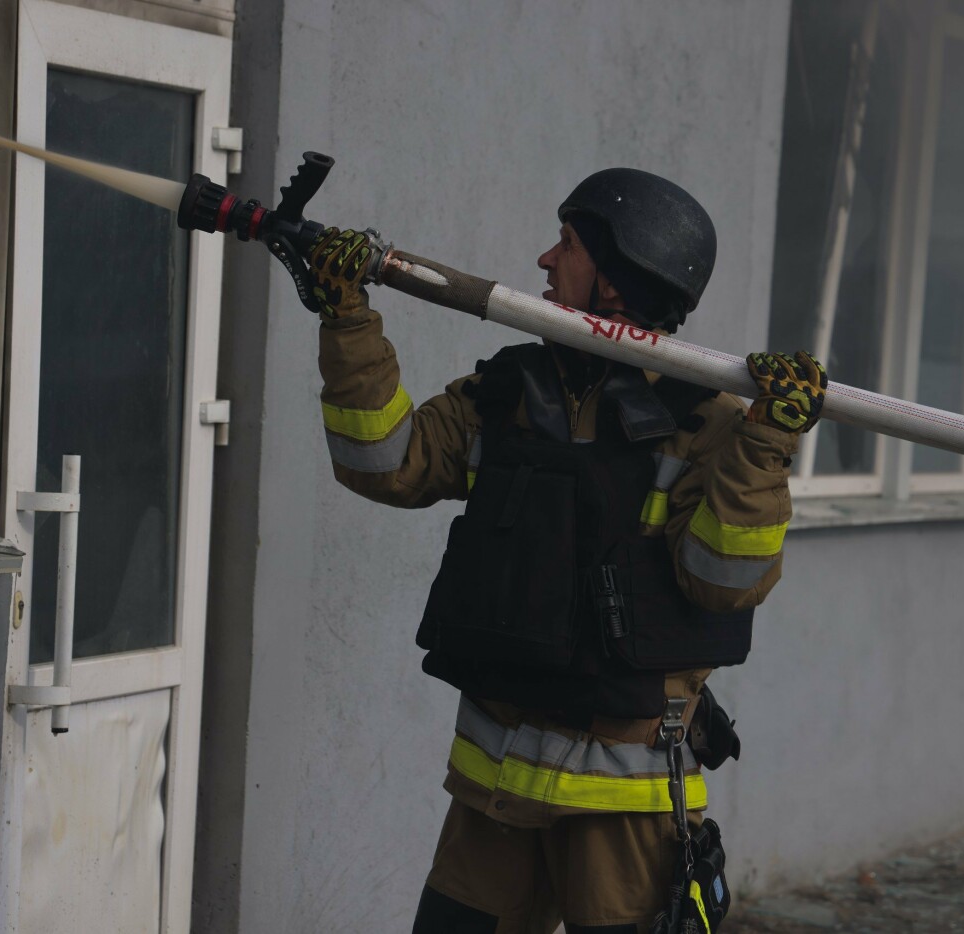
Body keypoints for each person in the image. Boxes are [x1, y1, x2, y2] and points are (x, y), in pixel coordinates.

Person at [306, 168, 827, 934]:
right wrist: (348, 319)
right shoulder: (505, 394)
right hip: (495, 792)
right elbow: (384, 462)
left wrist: (767, 442)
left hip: (622, 808)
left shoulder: (711, 427)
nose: (546, 262)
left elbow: (725, 581)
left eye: (568, 245)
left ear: (617, 282)